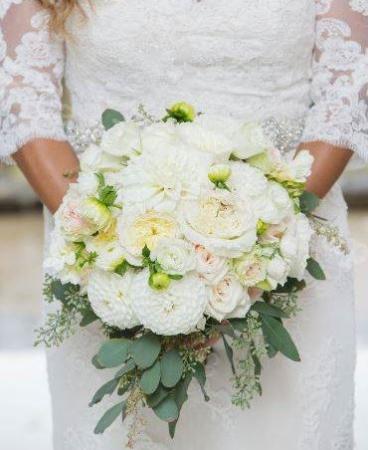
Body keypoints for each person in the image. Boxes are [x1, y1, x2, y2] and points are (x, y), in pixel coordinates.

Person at [1, 1, 367, 448]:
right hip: (106, 277)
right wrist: (111, 252)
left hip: (291, 258)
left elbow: (344, 96)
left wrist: (258, 251)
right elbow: (25, 100)